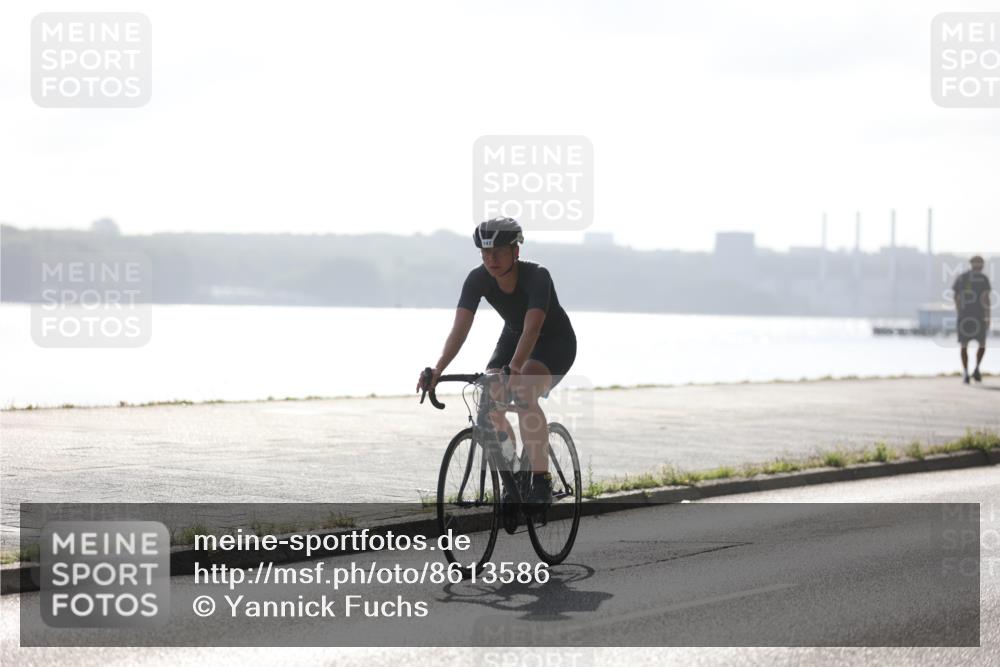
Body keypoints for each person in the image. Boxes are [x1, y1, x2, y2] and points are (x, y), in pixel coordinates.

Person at [416, 217, 577, 507]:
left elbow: (533, 328)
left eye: (499, 252)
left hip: (553, 341)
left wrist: (515, 369)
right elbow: (460, 330)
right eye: (485, 253)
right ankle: (515, 476)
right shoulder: (477, 279)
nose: (491, 259)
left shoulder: (538, 276)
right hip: (513, 337)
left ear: (516, 251)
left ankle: (541, 480)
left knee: (524, 391)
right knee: (490, 398)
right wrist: (438, 369)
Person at [953, 255, 992, 384]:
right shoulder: (983, 279)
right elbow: (985, 299)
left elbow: (956, 297)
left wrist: (959, 312)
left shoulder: (962, 277)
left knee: (966, 345)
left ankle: (968, 371)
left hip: (965, 316)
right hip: (978, 316)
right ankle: (973, 370)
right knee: (980, 344)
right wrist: (988, 316)